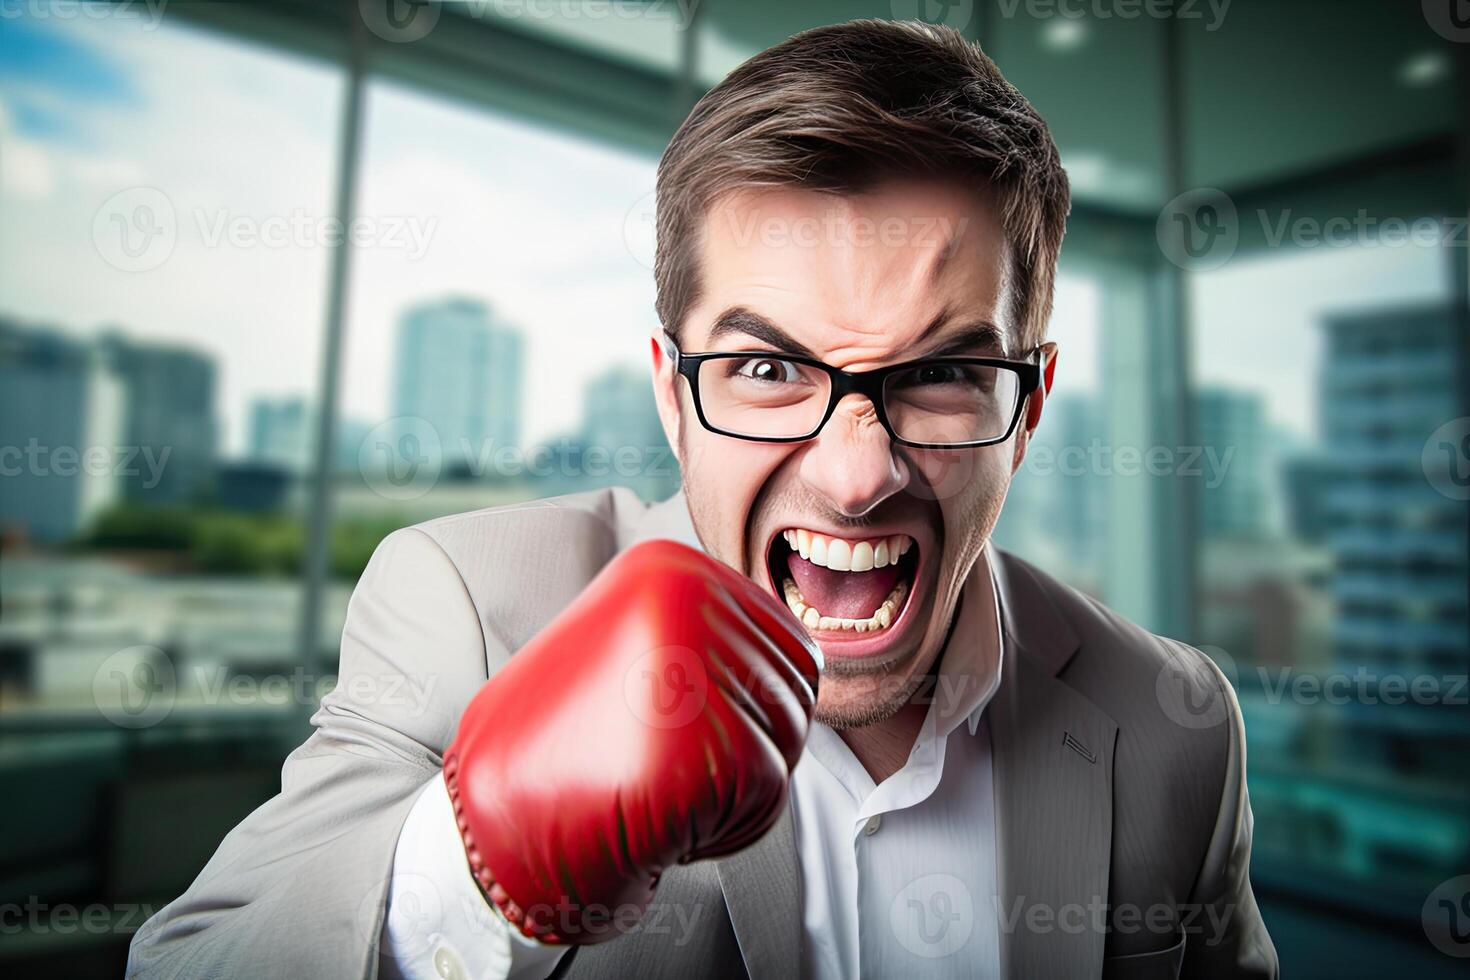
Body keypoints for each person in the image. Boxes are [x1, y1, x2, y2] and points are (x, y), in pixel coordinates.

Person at [129, 19, 1277, 980]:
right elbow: (189, 958)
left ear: (1027, 407)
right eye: (769, 369)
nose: (856, 473)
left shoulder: (1176, 720)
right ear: (672, 397)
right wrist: (475, 875)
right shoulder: (471, 608)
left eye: (941, 373)